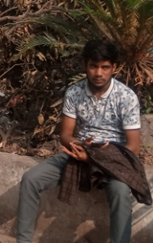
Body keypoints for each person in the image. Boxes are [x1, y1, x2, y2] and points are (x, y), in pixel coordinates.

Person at [17, 40, 144, 243]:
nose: (99, 73)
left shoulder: (126, 97)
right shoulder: (74, 93)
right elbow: (66, 134)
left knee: (120, 192)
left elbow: (134, 147)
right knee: (31, 178)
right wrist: (78, 145)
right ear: (85, 65)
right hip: (80, 152)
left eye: (105, 67)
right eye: (94, 66)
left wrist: (97, 157)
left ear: (114, 68)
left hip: (114, 159)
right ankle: (23, 241)